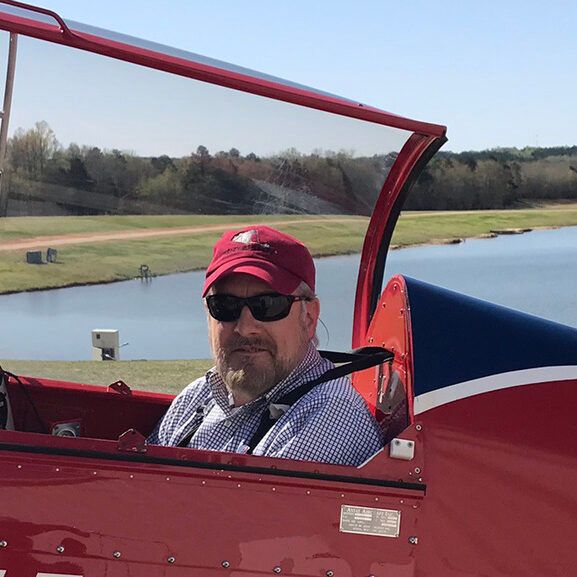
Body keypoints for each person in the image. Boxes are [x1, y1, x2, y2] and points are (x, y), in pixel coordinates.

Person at [147, 225, 383, 466]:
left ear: (309, 317)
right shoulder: (197, 397)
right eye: (225, 305)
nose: (245, 327)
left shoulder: (329, 416)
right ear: (208, 314)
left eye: (268, 305)